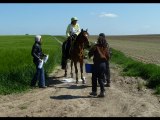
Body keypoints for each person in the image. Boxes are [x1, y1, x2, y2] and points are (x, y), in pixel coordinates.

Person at [88, 33, 110, 97]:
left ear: (98, 40)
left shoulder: (95, 46)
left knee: (94, 78)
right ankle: (102, 92)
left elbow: (90, 54)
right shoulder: (106, 47)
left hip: (97, 64)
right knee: (101, 78)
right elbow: (108, 56)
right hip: (104, 65)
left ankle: (94, 91)